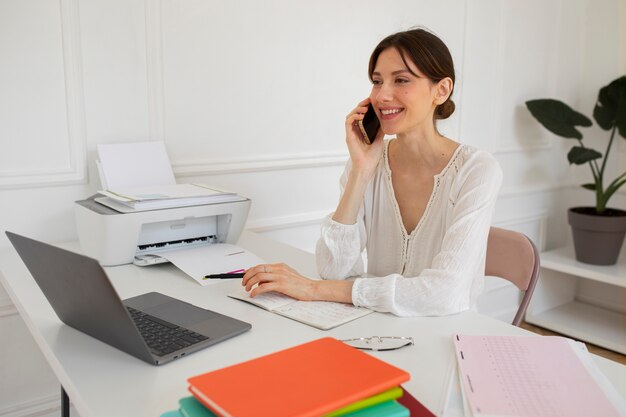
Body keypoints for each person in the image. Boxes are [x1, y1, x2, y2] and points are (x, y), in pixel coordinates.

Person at [242, 28, 502, 316]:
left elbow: (442, 294)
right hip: (375, 324)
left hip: (444, 333)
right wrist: (361, 172)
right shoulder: (369, 162)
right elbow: (333, 269)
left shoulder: (477, 169)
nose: (382, 95)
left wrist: (312, 289)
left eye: (401, 80)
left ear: (441, 90)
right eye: (377, 82)